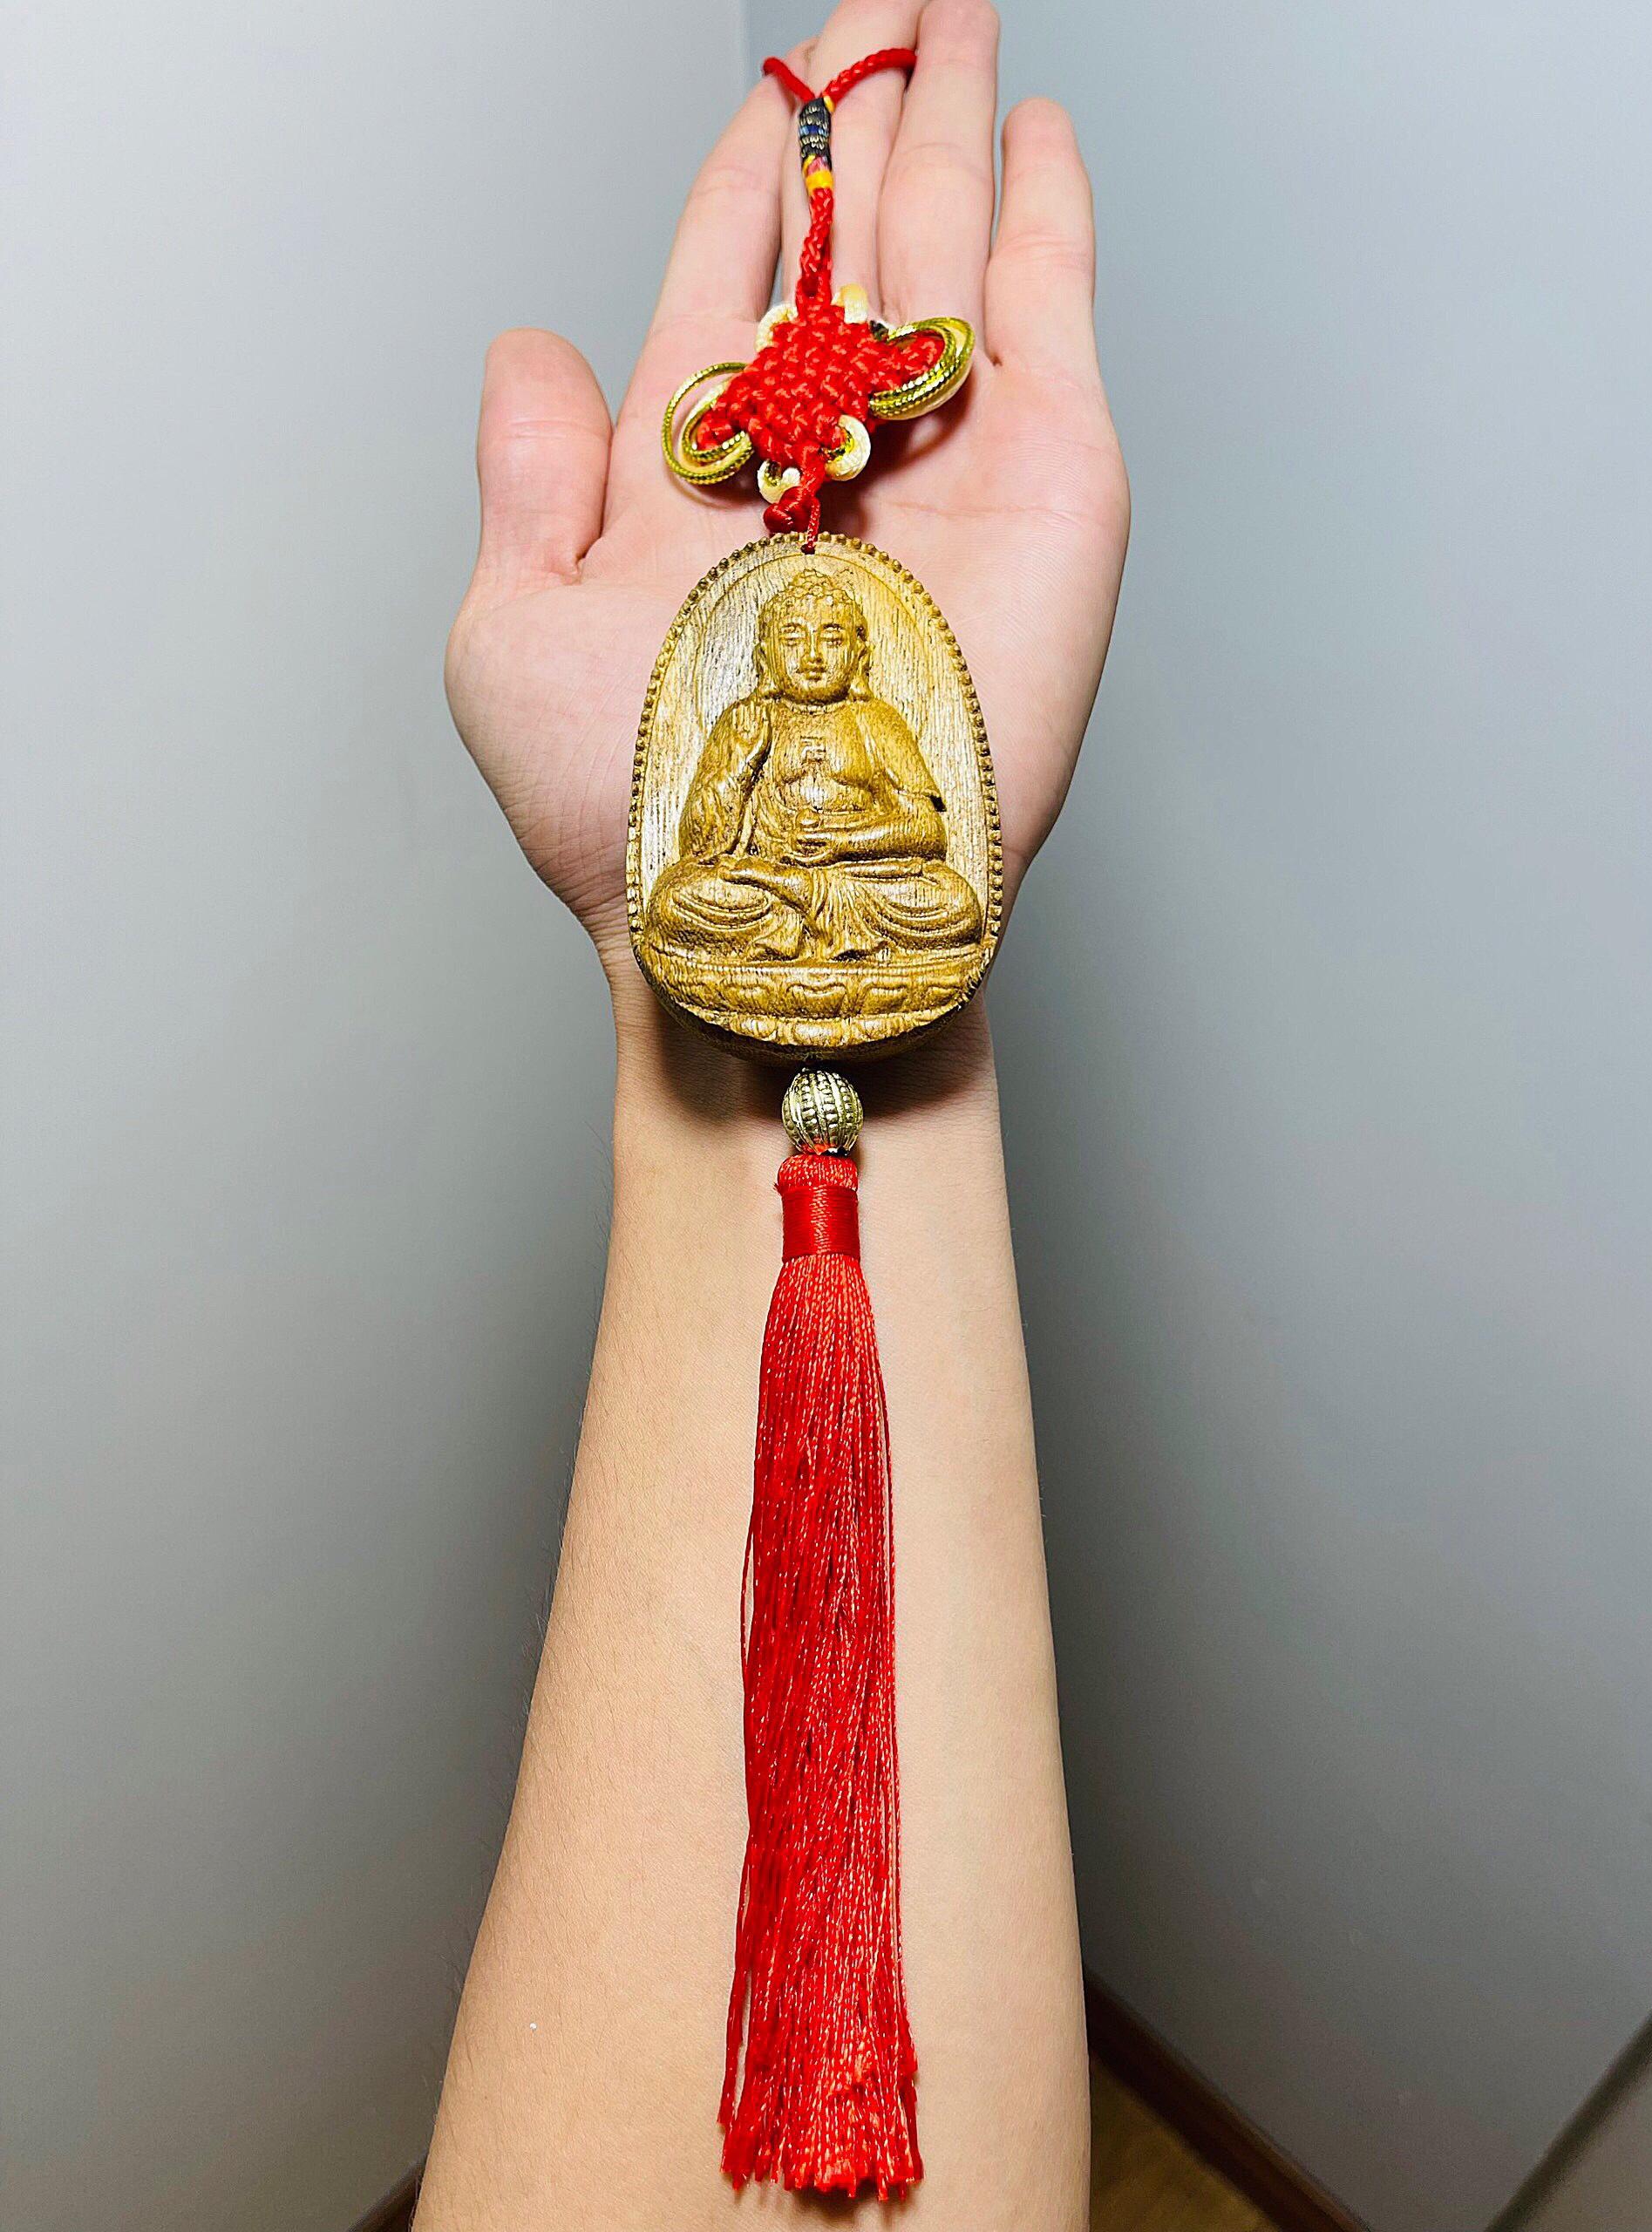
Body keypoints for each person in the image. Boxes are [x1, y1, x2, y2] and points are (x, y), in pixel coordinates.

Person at [421, 2, 1128, 2224]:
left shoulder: (875, 701)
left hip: (862, 930)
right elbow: (719, 842)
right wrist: (707, 895)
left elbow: (915, 841)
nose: (817, 668)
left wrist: (885, 853)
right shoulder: (735, 715)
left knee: (879, 878)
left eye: (830, 659)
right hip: (755, 925)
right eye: (805, 660)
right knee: (738, 882)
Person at [645, 567, 982, 965]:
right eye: (792, 639)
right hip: (766, 883)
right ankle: (795, 898)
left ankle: (800, 901)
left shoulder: (876, 720)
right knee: (674, 900)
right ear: (765, 656)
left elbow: (926, 830)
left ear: (858, 656)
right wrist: (739, 765)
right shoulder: (744, 720)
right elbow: (700, 846)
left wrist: (844, 842)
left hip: (860, 881)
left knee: (955, 903)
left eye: (832, 639)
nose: (812, 656)